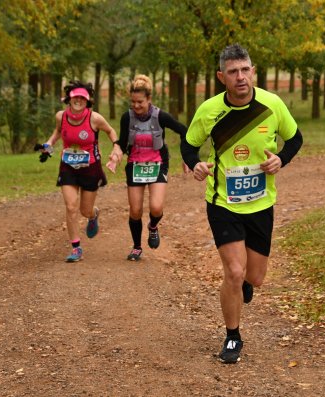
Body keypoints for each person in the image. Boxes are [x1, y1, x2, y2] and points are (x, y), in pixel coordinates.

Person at [181, 44, 303, 364]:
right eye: (233, 72)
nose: (240, 77)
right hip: (223, 202)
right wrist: (194, 164)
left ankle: (246, 284)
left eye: (245, 70)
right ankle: (233, 336)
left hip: (261, 204)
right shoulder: (209, 111)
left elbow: (296, 138)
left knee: (255, 277)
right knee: (234, 272)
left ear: (254, 72)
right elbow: (189, 145)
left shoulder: (272, 104)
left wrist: (282, 159)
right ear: (222, 77)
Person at [40, 80, 123, 262]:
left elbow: (111, 131)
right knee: (71, 207)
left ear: (87, 101)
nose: (78, 100)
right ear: (69, 99)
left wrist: (116, 147)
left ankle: (93, 214)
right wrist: (48, 147)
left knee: (85, 211)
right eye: (75, 97)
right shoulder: (61, 116)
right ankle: (76, 248)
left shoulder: (95, 118)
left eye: (82, 98)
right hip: (68, 166)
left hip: (90, 167)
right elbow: (57, 133)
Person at [115, 74, 190, 262]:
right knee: (135, 211)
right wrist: (116, 153)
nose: (136, 106)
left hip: (157, 163)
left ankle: (153, 227)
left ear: (149, 99)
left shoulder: (160, 116)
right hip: (135, 164)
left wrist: (187, 157)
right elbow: (122, 142)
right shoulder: (127, 117)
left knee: (156, 208)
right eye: (133, 102)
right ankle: (137, 247)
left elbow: (184, 131)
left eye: (140, 102)